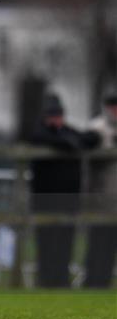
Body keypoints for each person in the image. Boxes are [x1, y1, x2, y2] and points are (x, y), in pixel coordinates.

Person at [29, 93, 98, 288]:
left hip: (68, 198)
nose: (56, 119)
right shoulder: (41, 134)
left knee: (66, 241)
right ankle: (46, 280)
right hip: (45, 199)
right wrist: (68, 142)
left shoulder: (67, 132)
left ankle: (61, 280)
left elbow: (90, 139)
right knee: (46, 241)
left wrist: (70, 140)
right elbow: (52, 140)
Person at [83, 90, 117, 287]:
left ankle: (104, 281)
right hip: (102, 195)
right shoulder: (98, 128)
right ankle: (93, 280)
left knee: (111, 242)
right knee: (98, 241)